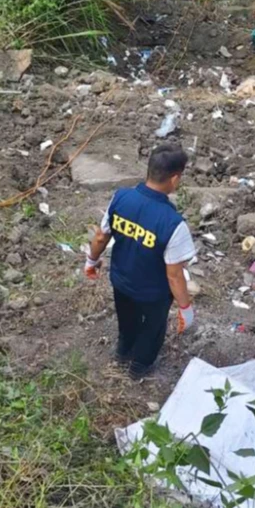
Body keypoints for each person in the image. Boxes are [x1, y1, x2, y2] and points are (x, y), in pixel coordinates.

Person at [85, 144, 197, 379]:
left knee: (127, 319)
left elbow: (101, 236)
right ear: (175, 179)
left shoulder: (121, 197)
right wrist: (185, 308)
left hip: (121, 281)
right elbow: (174, 275)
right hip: (153, 293)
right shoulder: (173, 223)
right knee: (153, 329)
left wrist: (90, 261)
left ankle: (123, 352)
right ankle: (138, 367)